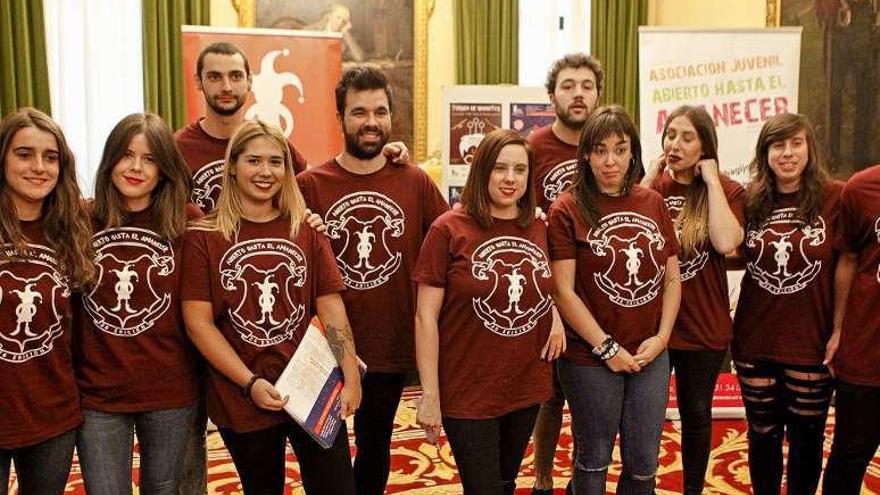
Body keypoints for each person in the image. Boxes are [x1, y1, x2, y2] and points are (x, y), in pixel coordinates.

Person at [180, 120, 361, 494]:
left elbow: (331, 308)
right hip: (243, 395)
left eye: (276, 162)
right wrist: (249, 383)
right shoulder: (205, 237)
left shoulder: (306, 229)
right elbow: (198, 323)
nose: (266, 172)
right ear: (233, 165)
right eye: (254, 161)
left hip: (311, 385)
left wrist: (351, 373)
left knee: (338, 487)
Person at [296, 66, 448, 495]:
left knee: (375, 446)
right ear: (341, 117)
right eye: (359, 112)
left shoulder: (415, 179)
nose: (371, 122)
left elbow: (457, 235)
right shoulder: (309, 186)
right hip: (323, 345)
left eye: (380, 112)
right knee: (323, 450)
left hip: (389, 344)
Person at [414, 128, 561, 494]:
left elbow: (546, 284)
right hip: (467, 388)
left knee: (505, 482)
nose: (510, 179)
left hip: (525, 382)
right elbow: (424, 318)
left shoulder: (539, 226)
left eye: (520, 170)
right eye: (500, 168)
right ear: (482, 171)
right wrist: (430, 394)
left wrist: (554, 313)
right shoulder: (448, 229)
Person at [547, 105, 681, 495]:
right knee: (594, 459)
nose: (610, 161)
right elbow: (563, 290)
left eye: (620, 150)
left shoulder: (652, 202)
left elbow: (672, 276)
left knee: (644, 463)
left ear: (633, 153)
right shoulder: (567, 208)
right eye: (600, 150)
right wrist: (606, 348)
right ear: (586, 154)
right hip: (590, 357)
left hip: (649, 353)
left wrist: (662, 338)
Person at [72, 113, 201, 495]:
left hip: (170, 392)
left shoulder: (188, 221)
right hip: (98, 393)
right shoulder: (81, 219)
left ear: (164, 169)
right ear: (111, 158)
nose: (135, 167)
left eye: (149, 158)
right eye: (127, 155)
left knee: (162, 490)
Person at [732, 113, 842, 495]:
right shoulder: (749, 201)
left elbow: (851, 265)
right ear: (765, 153)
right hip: (755, 338)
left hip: (811, 340)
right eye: (778, 145)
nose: (788, 153)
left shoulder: (835, 198)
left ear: (809, 148)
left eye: (796, 143)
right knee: (762, 434)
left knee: (807, 437)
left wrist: (841, 330)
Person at [642, 105, 745, 495]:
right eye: (670, 135)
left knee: (696, 414)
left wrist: (713, 181)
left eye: (687, 137)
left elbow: (724, 241)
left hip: (702, 326)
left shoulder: (728, 190)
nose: (675, 144)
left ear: (705, 145)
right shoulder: (653, 188)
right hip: (653, 328)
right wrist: (649, 178)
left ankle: (692, 490)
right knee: (645, 417)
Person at [0, 108, 95, 494]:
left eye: (50, 157)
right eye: (24, 154)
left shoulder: (73, 227)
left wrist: (304, 217)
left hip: (51, 412)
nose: (39, 167)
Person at [527, 53, 603, 495]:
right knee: (548, 396)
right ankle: (541, 480)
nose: (578, 93)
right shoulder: (534, 148)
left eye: (587, 85)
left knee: (594, 399)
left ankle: (585, 479)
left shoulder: (612, 144)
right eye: (569, 85)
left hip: (601, 294)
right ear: (552, 95)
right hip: (548, 295)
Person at [175, 42, 308, 215]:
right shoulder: (177, 147)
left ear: (250, 81)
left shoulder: (270, 141)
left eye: (236, 76)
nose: (226, 87)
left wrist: (311, 219)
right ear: (199, 81)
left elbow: (309, 189)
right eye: (215, 77)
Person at [820, 163, 880, 494]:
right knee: (850, 456)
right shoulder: (862, 188)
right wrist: (838, 330)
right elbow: (847, 261)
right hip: (866, 349)